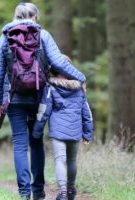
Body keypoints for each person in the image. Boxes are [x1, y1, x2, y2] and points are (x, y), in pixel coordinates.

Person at [0, 3, 86, 200]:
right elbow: (59, 62)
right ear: (35, 17)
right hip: (39, 96)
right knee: (36, 142)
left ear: (15, 17)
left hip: (14, 97)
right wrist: (81, 78)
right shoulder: (43, 35)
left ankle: (24, 193)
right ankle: (38, 191)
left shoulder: (5, 37)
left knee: (19, 143)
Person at [32, 65, 94, 200]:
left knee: (60, 160)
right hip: (75, 130)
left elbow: (44, 110)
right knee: (72, 160)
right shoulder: (79, 88)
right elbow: (86, 112)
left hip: (58, 131)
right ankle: (71, 189)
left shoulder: (50, 87)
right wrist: (87, 133)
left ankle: (63, 193)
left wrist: (37, 131)